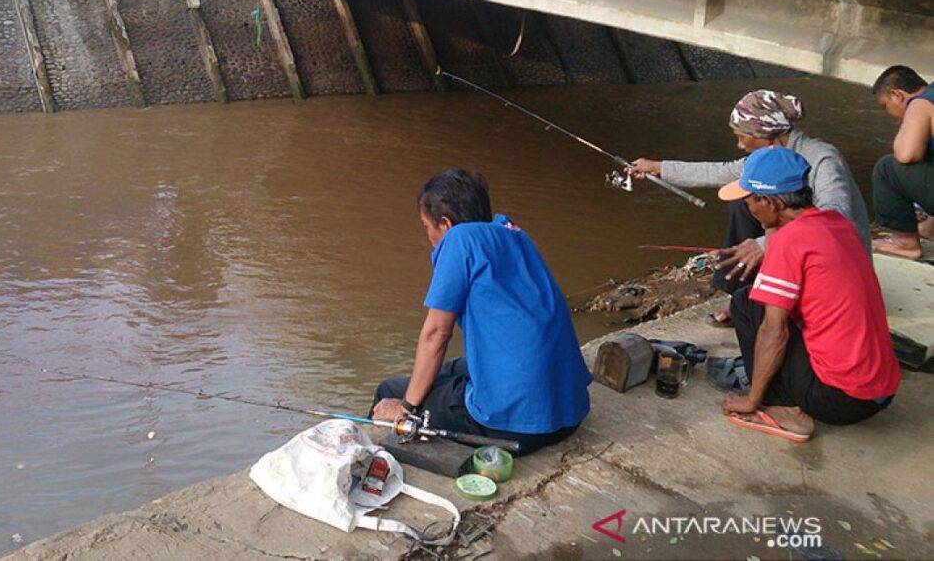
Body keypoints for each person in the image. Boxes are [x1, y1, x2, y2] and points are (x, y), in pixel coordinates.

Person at [370, 169, 592, 455]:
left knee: (390, 391)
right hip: (570, 412)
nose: (428, 236)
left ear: (445, 224)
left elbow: (437, 334)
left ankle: (371, 460)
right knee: (451, 368)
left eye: (427, 226)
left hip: (515, 428)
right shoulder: (511, 232)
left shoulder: (459, 240)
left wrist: (406, 406)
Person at [631, 89, 869, 325]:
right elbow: (722, 171)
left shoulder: (823, 159)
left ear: (765, 133)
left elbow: (836, 218)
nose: (740, 145)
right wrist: (658, 168)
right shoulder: (769, 155)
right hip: (799, 243)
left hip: (836, 261)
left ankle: (771, 303)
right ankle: (741, 297)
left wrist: (766, 244)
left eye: (742, 136)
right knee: (742, 201)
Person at [716, 147, 900, 442]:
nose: (748, 210)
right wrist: (770, 226)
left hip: (839, 401)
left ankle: (786, 409)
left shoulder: (792, 240)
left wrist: (751, 399)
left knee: (746, 304)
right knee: (765, 301)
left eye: (749, 202)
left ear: (771, 202)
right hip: (881, 391)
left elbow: (774, 332)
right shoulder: (835, 222)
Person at [870, 65, 934, 259]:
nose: (890, 115)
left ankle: (904, 243)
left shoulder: (921, 103)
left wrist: (909, 123)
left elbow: (905, 154)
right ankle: (931, 228)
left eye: (885, 106)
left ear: (897, 95)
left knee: (887, 169)